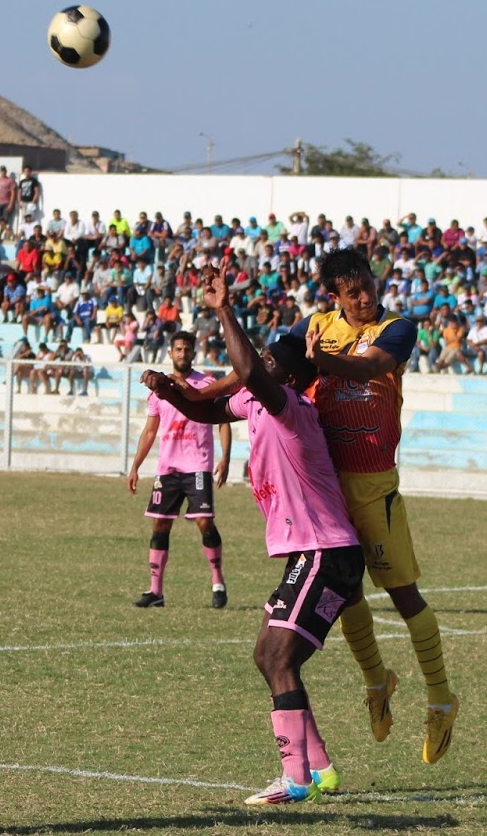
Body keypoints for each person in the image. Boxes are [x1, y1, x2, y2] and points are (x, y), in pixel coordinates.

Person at [141, 257, 358, 805]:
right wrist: (172, 393)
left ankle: (295, 782)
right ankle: (320, 768)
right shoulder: (259, 404)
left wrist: (226, 310)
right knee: (267, 655)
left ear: (284, 375)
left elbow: (250, 375)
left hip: (324, 552)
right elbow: (212, 408)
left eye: (264, 361)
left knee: (279, 658)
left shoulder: (292, 408)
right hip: (308, 555)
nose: (254, 366)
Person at [290, 247, 459, 765]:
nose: (366, 296)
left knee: (405, 595)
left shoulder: (398, 327)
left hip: (372, 484)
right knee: (342, 591)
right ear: (334, 296)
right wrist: (200, 396)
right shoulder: (314, 325)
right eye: (353, 291)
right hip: (326, 485)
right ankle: (377, 681)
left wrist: (323, 361)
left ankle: (441, 698)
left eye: (368, 284)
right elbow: (271, 365)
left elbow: (374, 366)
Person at [126, 332, 233, 608]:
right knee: (160, 525)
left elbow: (223, 421)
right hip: (167, 468)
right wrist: (135, 465)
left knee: (204, 522)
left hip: (198, 464)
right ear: (170, 354)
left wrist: (225, 457)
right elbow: (150, 431)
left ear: (194, 353)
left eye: (187, 348)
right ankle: (155, 592)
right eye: (178, 349)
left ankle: (218, 582)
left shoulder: (207, 384)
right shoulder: (158, 390)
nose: (183, 353)